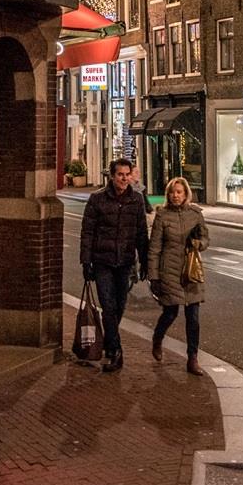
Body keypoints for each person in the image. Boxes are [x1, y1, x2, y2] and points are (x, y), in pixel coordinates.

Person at [79, 158, 150, 372]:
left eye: (128, 175)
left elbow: (141, 233)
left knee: (119, 306)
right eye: (120, 175)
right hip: (103, 261)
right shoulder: (97, 199)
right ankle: (116, 351)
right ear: (112, 176)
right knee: (108, 305)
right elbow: (87, 233)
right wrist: (86, 261)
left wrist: (144, 260)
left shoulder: (136, 200)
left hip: (125, 261)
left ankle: (109, 343)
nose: (124, 179)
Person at [147, 177, 210, 376]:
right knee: (170, 313)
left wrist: (198, 244)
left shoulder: (195, 214)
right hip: (170, 272)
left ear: (186, 194)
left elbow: (206, 238)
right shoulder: (162, 216)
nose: (176, 195)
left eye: (179, 192)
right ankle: (157, 338)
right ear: (168, 194)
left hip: (190, 271)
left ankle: (192, 358)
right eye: (173, 192)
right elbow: (154, 248)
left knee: (193, 317)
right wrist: (153, 276)